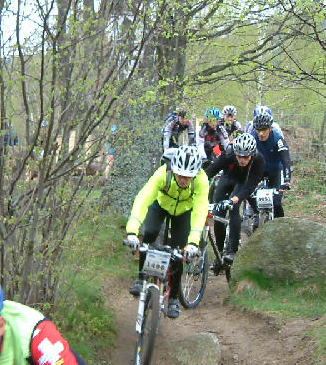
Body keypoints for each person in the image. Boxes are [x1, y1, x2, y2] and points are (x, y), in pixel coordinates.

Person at [125, 145, 208, 319]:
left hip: (184, 211)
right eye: (180, 175)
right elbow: (143, 198)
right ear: (174, 170)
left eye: (188, 177)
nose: (184, 180)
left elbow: (200, 211)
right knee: (150, 233)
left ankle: (173, 299)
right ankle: (141, 278)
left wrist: (193, 242)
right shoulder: (163, 173)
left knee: (179, 251)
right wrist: (132, 230)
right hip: (161, 204)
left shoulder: (201, 180)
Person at [204, 132, 265, 268]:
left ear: (252, 154)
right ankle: (219, 253)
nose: (242, 160)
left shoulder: (259, 160)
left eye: (246, 157)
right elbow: (210, 171)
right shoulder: (229, 153)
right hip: (228, 177)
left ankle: (232, 251)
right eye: (239, 156)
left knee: (233, 208)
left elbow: (250, 185)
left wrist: (234, 199)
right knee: (218, 212)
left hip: (244, 182)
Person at [250, 112, 292, 219]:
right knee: (249, 194)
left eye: (264, 130)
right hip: (258, 170)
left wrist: (287, 180)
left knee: (276, 202)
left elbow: (286, 159)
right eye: (258, 130)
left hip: (275, 170)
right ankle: (255, 214)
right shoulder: (252, 138)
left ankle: (279, 225)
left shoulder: (277, 138)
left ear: (270, 128)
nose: (261, 134)